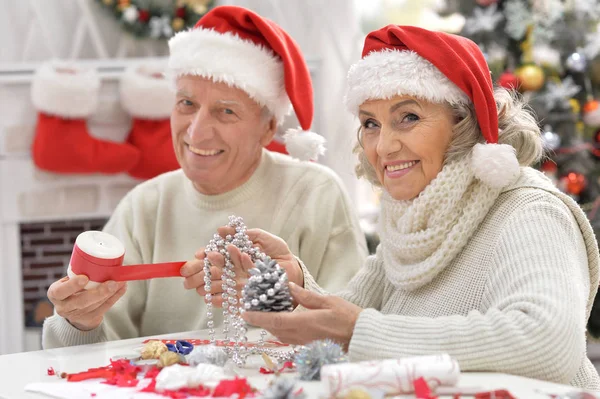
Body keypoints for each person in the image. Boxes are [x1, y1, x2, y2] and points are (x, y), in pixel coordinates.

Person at [213, 25, 600, 389]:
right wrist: (292, 286)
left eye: (408, 117)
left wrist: (357, 330)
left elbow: (548, 345)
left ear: (465, 122)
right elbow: (350, 321)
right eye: (370, 123)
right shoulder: (416, 218)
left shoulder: (530, 211)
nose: (383, 147)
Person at [41, 6, 367, 349]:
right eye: (186, 103)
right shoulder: (144, 205)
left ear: (269, 127)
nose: (196, 133)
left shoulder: (317, 193)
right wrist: (78, 321)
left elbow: (354, 331)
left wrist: (285, 289)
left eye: (226, 111)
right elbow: (84, 351)